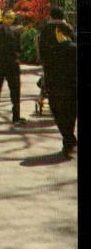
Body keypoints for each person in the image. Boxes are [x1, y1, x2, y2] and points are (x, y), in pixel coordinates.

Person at [0, 10, 24, 124]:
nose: (9, 20)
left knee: (15, 91)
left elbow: (18, 48)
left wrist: (17, 58)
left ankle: (16, 115)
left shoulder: (16, 32)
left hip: (12, 65)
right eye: (7, 17)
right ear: (3, 18)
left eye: (11, 18)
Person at [49, 22, 77, 157]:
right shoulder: (74, 49)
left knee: (60, 116)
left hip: (57, 90)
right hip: (72, 89)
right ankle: (69, 141)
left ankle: (69, 140)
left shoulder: (54, 50)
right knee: (70, 117)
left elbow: (49, 72)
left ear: (60, 33)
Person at [39, 6, 68, 104]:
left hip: (50, 62)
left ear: (51, 16)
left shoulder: (46, 29)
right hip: (65, 62)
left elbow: (41, 46)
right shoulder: (66, 28)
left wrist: (43, 60)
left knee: (51, 83)